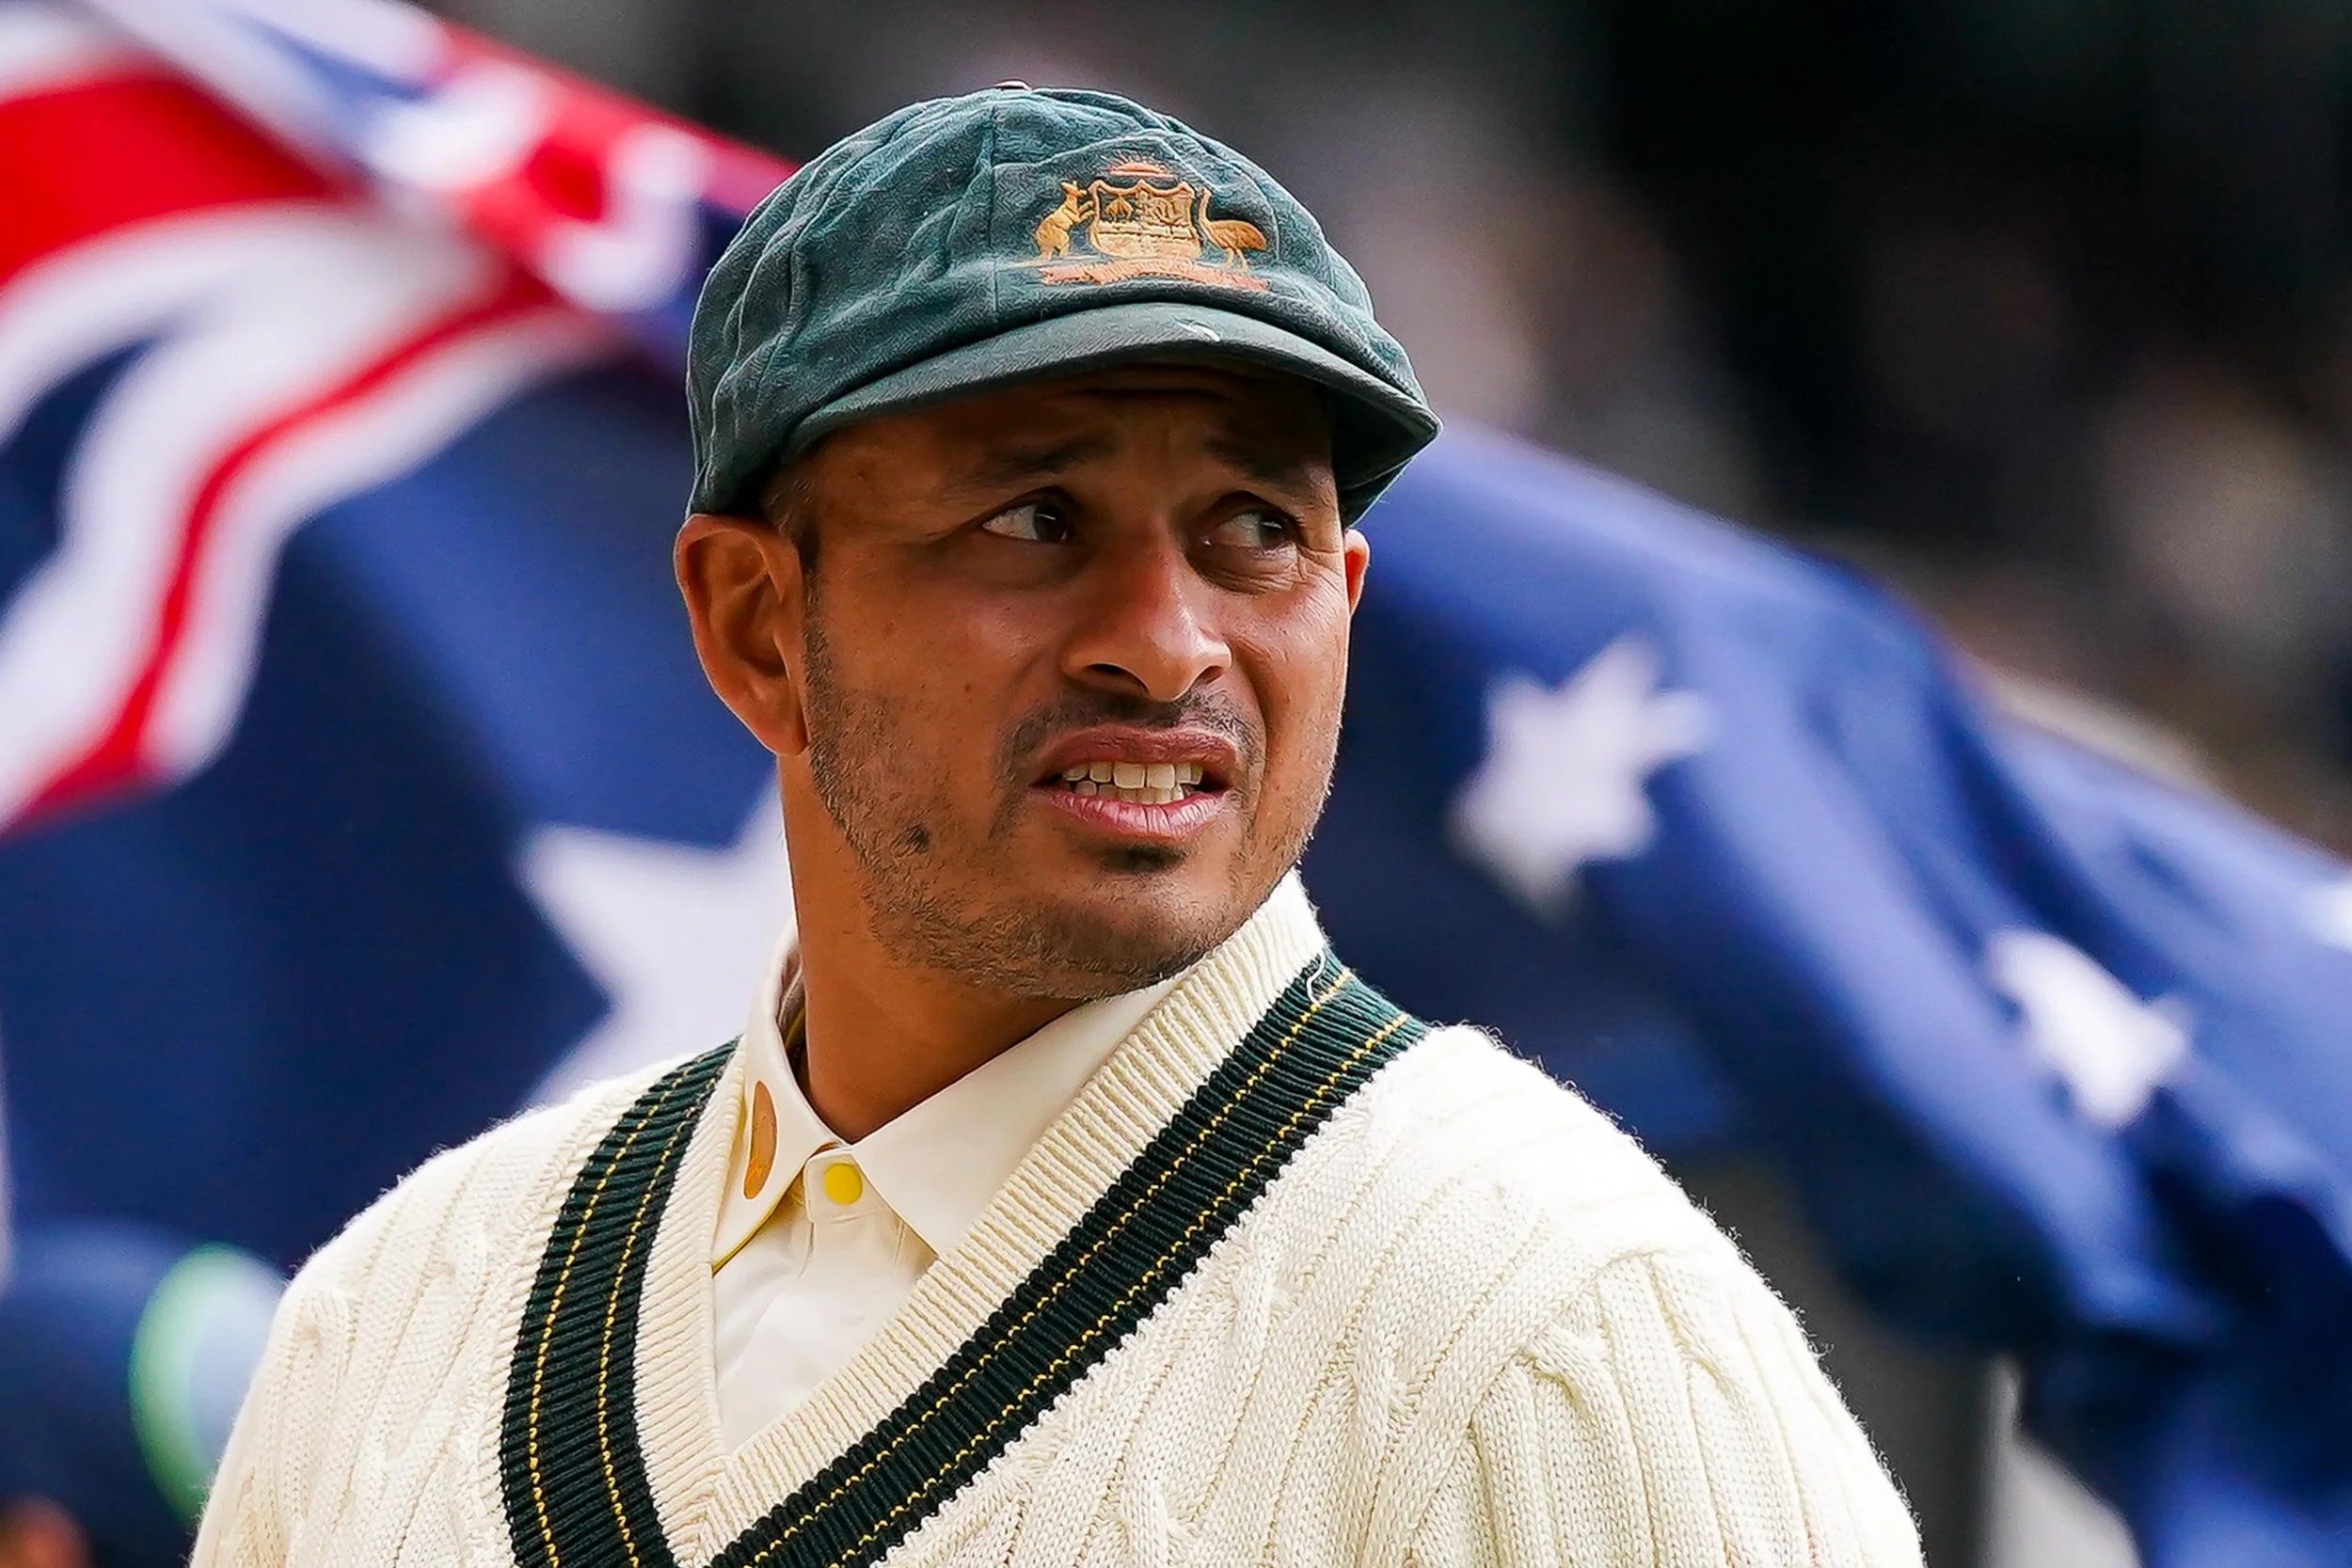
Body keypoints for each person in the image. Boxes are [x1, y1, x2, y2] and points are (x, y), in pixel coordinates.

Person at [193, 87, 1921, 1566]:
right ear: (753, 625)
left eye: (1254, 525)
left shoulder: (1552, 1328)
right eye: (1034, 516)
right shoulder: (401, 1319)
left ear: (1348, 597)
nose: (1167, 640)